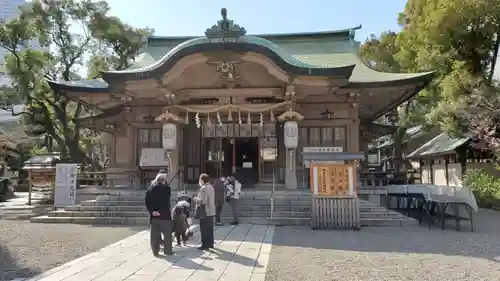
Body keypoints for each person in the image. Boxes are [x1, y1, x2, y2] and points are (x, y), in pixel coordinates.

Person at [145, 172, 173, 256]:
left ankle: (155, 251)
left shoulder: (150, 188)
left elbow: (147, 202)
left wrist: (152, 211)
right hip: (165, 215)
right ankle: (167, 251)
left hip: (155, 215)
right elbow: (167, 198)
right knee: (167, 234)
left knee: (155, 235)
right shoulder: (167, 188)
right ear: (164, 180)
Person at [193, 173, 215, 250]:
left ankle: (205, 244)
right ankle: (210, 243)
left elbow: (202, 201)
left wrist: (195, 199)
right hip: (211, 210)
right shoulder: (211, 186)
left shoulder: (203, 188)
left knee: (204, 228)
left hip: (204, 211)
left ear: (202, 180)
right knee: (210, 228)